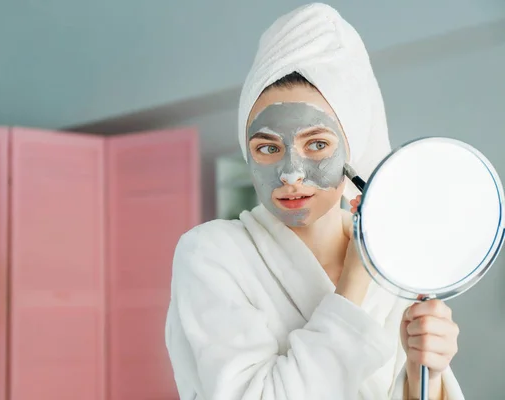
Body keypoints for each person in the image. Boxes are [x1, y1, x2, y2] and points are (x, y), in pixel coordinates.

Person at [165, 3, 464, 399]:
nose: (291, 173)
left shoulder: (394, 269)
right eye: (267, 147)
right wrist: (356, 278)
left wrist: (424, 371)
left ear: (353, 151)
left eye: (318, 144)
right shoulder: (211, 254)